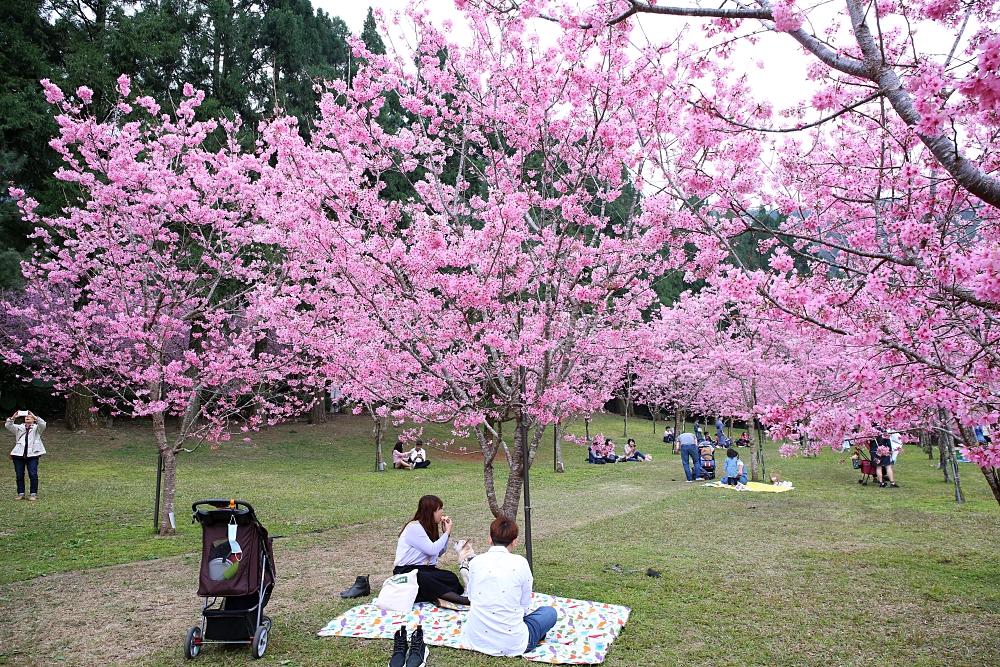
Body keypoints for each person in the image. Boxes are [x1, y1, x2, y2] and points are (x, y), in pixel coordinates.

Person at [461, 516, 558, 656]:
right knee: (549, 613)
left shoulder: (476, 562)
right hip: (513, 642)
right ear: (515, 542)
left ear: (490, 539)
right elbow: (524, 604)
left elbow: (471, 596)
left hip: (475, 638)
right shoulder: (521, 563)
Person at [393, 495, 469, 605]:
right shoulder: (414, 527)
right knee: (424, 579)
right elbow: (432, 550)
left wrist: (445, 535)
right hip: (407, 570)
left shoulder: (428, 528)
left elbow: (438, 552)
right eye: (439, 509)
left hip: (426, 569)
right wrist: (447, 533)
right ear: (430, 512)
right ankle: (462, 600)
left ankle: (425, 595)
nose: (442, 512)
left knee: (450, 577)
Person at [6, 410, 46, 501]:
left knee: (33, 474)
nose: (27, 417)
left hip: (32, 454)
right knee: (19, 475)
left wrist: (36, 417)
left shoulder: (37, 428)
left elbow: (43, 424)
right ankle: (21, 493)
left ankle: (33, 493)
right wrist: (13, 418)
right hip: (18, 454)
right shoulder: (19, 428)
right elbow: (8, 426)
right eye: (26, 416)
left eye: (30, 416)